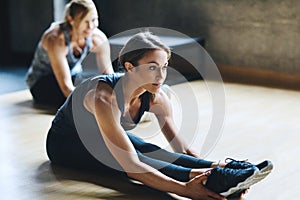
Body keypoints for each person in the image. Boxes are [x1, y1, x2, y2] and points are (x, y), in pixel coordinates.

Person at [46, 31, 272, 199]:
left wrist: (214, 165)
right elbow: (131, 165)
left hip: (102, 134)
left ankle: (223, 174)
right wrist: (187, 190)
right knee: (136, 156)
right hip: (67, 144)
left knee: (150, 148)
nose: (161, 75)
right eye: (152, 67)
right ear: (130, 66)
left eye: (164, 66)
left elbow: (181, 149)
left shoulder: (157, 97)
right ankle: (214, 182)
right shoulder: (104, 98)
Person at [26, 0, 114, 108]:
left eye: (94, 20)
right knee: (80, 99)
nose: (91, 26)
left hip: (73, 75)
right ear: (71, 19)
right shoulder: (56, 39)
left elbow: (109, 77)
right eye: (85, 22)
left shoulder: (98, 38)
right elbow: (66, 88)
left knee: (98, 87)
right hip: (42, 82)